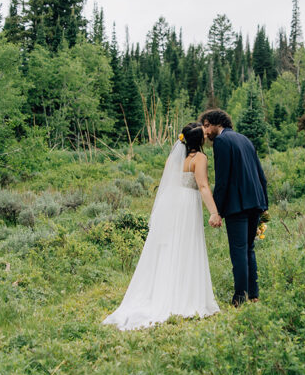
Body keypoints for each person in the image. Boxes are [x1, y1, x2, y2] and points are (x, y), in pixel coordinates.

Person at [102, 123, 221, 330]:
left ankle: (167, 288)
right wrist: (213, 211)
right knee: (186, 247)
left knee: (171, 247)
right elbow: (202, 186)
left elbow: (169, 184)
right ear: (199, 140)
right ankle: (184, 295)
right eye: (203, 134)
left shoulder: (173, 158)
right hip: (187, 206)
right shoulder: (199, 158)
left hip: (173, 204)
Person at [200, 108, 268, 306]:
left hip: (237, 205)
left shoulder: (221, 142)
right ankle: (253, 294)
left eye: (206, 126)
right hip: (255, 201)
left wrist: (217, 210)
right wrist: (264, 203)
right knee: (249, 249)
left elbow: (222, 180)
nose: (205, 132)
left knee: (238, 250)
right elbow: (260, 173)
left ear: (216, 124)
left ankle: (240, 297)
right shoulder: (244, 139)